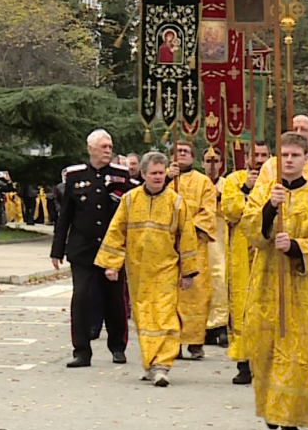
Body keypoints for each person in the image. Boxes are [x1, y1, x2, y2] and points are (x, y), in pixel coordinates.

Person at [240, 132, 308, 430]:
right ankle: (272, 407)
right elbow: (249, 228)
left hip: (301, 286)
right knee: (266, 346)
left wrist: (296, 246)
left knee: (295, 350)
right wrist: (270, 208)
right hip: (267, 282)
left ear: (306, 159)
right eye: (284, 156)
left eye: (296, 155)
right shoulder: (265, 191)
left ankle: (290, 418)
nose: (290, 160)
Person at [94, 151, 200, 387]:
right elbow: (116, 232)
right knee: (144, 318)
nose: (158, 177)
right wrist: (111, 264)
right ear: (143, 174)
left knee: (165, 316)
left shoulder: (176, 202)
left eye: (161, 173)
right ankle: (150, 363)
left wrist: (188, 272)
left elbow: (188, 239)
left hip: (166, 269)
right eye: (153, 173)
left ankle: (163, 364)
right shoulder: (130, 200)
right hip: (138, 271)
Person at [51, 129, 136, 368]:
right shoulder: (75, 176)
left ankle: (117, 346)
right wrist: (57, 249)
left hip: (112, 249)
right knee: (81, 299)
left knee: (115, 300)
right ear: (91, 149)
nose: (108, 151)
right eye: (103, 147)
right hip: (83, 249)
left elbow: (129, 211)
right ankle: (81, 350)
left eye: (110, 146)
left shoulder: (121, 175)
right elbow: (65, 215)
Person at [221, 141, 272, 384]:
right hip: (241, 251)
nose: (260, 160)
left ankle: (267, 362)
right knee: (241, 304)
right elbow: (230, 210)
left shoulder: (275, 180)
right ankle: (244, 362)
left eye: (264, 155)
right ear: (248, 157)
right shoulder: (234, 179)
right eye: (256, 155)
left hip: (267, 250)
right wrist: (245, 189)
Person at [165, 141, 219, 361]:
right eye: (178, 152)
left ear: (193, 156)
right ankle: (173, 341)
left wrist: (186, 228)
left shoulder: (203, 182)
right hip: (168, 246)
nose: (182, 155)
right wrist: (169, 178)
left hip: (195, 245)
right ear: (170, 156)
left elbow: (208, 211)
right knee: (170, 294)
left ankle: (195, 342)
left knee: (196, 293)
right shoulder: (165, 179)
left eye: (186, 152)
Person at [202, 147, 230, 347]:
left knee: (220, 279)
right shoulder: (196, 183)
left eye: (215, 161)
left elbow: (233, 207)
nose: (212, 165)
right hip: (201, 239)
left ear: (222, 164)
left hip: (222, 239)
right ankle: (202, 326)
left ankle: (220, 325)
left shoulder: (228, 185)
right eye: (208, 161)